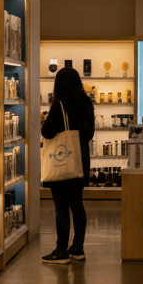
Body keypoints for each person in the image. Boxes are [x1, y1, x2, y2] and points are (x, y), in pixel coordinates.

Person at [41, 67, 95, 264]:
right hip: (79, 161)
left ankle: (61, 251)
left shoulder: (60, 105)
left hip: (61, 161)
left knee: (61, 208)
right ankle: (78, 248)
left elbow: (47, 132)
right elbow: (88, 134)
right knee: (77, 204)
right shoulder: (87, 102)